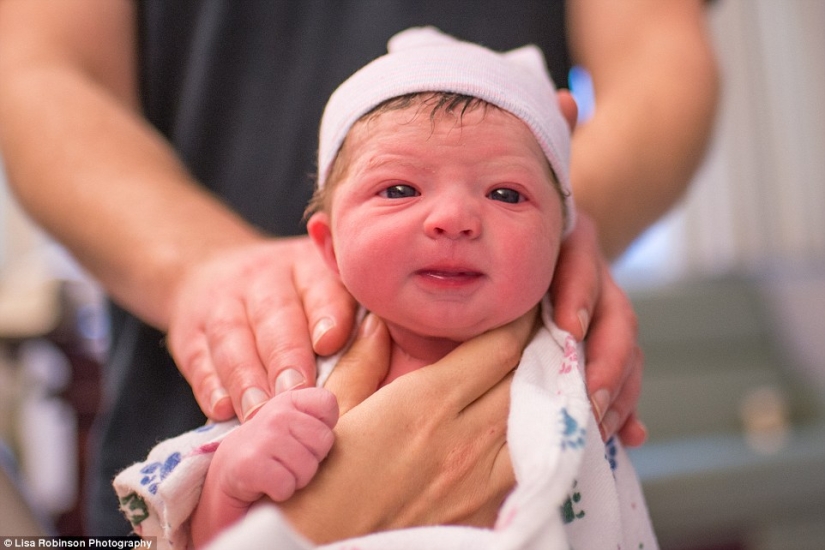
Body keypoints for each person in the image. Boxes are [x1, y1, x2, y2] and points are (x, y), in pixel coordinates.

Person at [0, 0, 718, 537]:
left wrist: (567, 213)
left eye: (505, 194)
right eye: (399, 189)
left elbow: (659, 55)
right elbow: (41, 68)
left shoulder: (563, 374)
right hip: (183, 391)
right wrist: (241, 475)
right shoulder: (288, 399)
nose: (454, 219)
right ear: (325, 242)